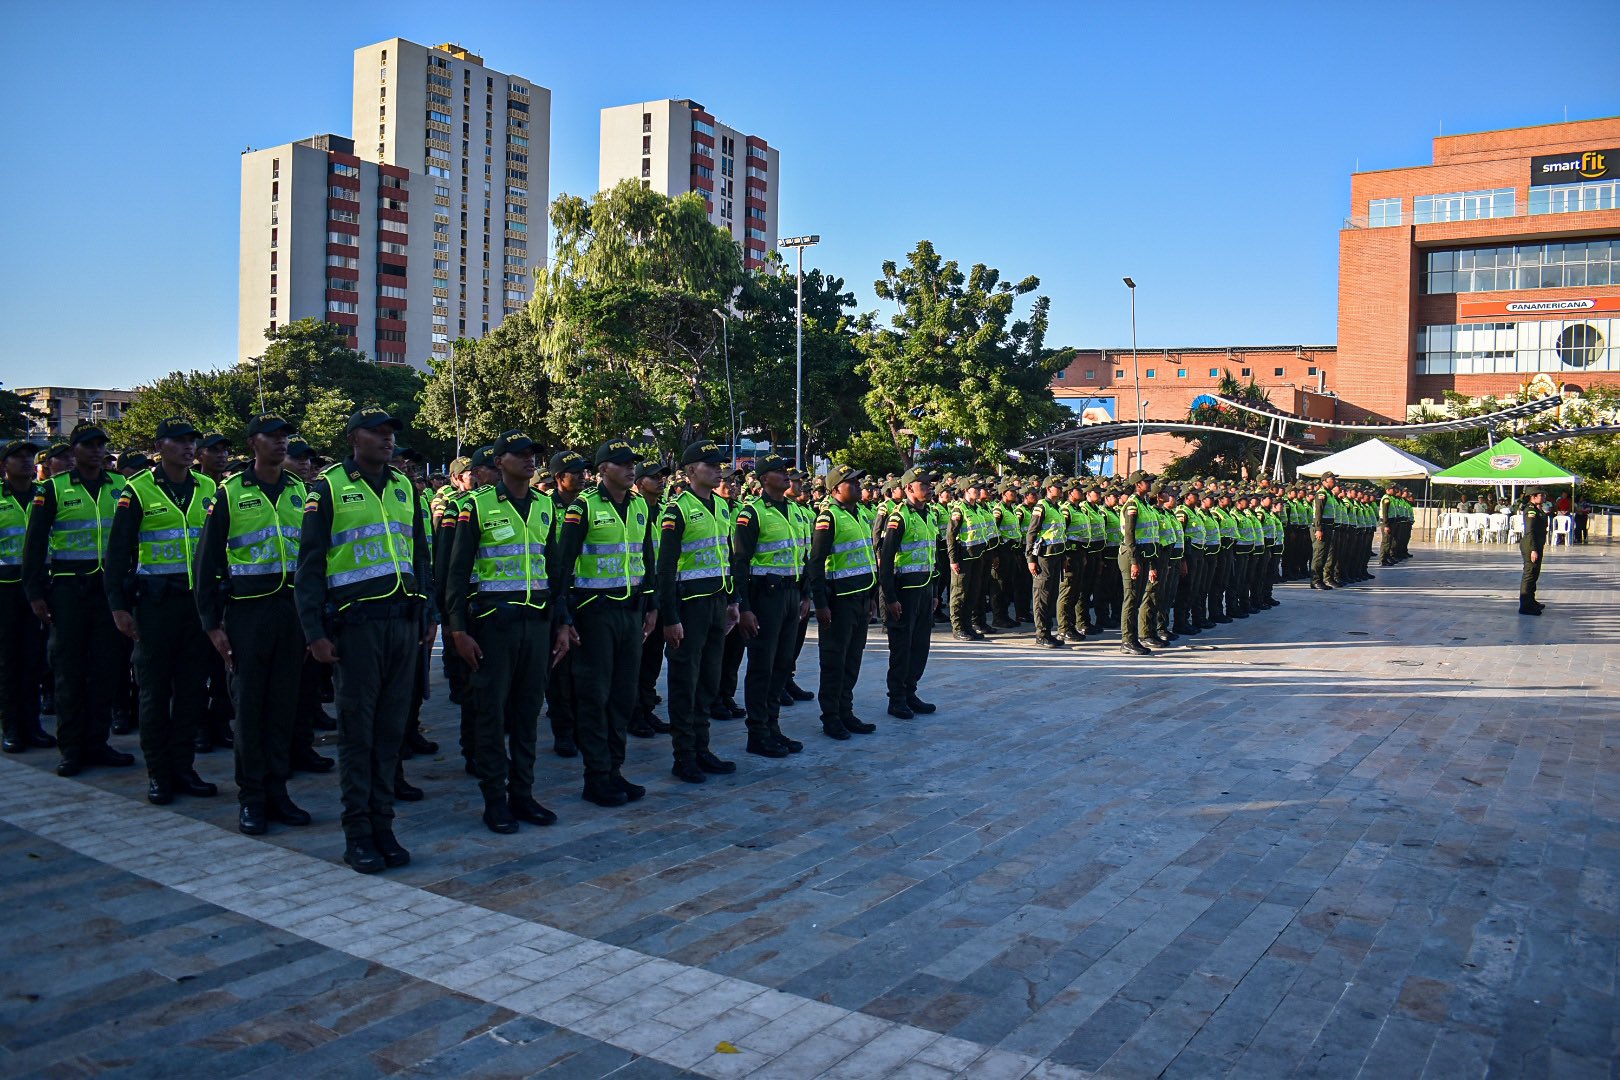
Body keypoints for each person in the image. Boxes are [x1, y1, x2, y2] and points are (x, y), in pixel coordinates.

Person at [295, 407, 438, 874]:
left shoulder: (403, 487)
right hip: (356, 627)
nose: (387, 439)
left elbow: (419, 554)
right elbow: (310, 567)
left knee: (391, 731)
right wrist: (314, 631)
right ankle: (357, 832)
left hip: (402, 623)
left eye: (391, 432)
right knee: (358, 734)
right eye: (377, 432)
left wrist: (428, 611)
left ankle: (384, 825)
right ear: (355, 437)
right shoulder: (328, 487)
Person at [194, 412, 315, 834]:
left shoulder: (302, 491)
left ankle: (278, 791)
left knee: (283, 706)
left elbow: (317, 557)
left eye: (286, 436)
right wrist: (212, 623)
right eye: (272, 436)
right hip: (248, 613)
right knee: (249, 709)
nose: (282, 443)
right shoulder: (229, 493)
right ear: (253, 444)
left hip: (292, 611)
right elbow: (206, 561)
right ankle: (252, 798)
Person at [444, 430, 566, 832]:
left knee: (528, 712)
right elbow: (457, 574)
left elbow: (554, 570)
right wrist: (457, 629)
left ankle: (524, 794)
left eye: (533, 454)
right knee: (491, 715)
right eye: (519, 454)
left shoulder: (546, 506)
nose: (530, 460)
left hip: (537, 624)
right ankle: (494, 799)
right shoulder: (475, 506)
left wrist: (562, 622)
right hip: (493, 625)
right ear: (499, 462)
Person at [104, 417, 220, 806]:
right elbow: (118, 554)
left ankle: (184, 768)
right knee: (154, 692)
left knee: (192, 691)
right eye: (180, 441)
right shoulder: (136, 490)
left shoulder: (207, 487)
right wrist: (119, 607)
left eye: (193, 440)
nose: (189, 447)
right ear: (160, 445)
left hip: (196, 605)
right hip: (154, 606)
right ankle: (159, 774)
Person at [21, 422, 136, 777]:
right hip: (69, 589)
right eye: (89, 445)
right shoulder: (53, 489)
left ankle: (97, 742)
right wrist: (36, 592)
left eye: (101, 445)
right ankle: (71, 748)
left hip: (109, 589)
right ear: (74, 451)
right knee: (70, 672)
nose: (97, 451)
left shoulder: (121, 487)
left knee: (105, 669)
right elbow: (35, 544)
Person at [551, 439, 657, 807]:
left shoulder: (639, 505)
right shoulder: (584, 507)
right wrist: (564, 616)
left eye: (633, 463)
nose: (631, 469)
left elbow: (647, 558)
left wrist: (652, 604)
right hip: (594, 613)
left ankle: (615, 769)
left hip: (630, 612)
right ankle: (596, 776)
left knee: (623, 695)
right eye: (622, 463)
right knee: (595, 696)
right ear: (602, 470)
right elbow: (563, 565)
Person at [654, 441, 741, 781]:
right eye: (710, 464)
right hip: (688, 608)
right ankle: (684, 755)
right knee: (684, 682)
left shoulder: (720, 507)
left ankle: (702, 748)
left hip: (717, 604)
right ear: (690, 471)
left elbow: (726, 558)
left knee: (707, 680)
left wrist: (733, 602)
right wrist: (670, 617)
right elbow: (665, 569)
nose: (719, 469)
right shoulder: (676, 510)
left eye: (719, 463)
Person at [732, 455, 809, 756]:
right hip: (765, 597)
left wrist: (805, 594)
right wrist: (744, 607)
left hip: (791, 595)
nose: (786, 475)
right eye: (779, 471)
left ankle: (773, 726)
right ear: (764, 479)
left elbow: (801, 555)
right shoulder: (752, 513)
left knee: (781, 665)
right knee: (762, 666)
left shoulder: (793, 510)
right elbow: (740, 562)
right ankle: (757, 733)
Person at [805, 463, 879, 740]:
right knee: (835, 660)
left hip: (860, 597)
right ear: (836, 489)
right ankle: (831, 717)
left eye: (859, 482)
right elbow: (816, 563)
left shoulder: (859, 515)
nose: (859, 487)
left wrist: (872, 598)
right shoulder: (828, 517)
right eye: (853, 483)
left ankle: (846, 711)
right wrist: (821, 604)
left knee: (853, 659)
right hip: (838, 601)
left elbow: (866, 559)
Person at [0, 438, 54, 755]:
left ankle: (32, 726)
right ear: (3, 465)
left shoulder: (42, 495)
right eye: (16, 457)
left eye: (28, 457)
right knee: (9, 661)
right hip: (5, 589)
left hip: (38, 588)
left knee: (34, 660)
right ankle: (11, 728)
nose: (24, 462)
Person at [879, 467, 940, 717]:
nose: (928, 487)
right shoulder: (898, 517)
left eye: (929, 483)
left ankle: (910, 691)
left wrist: (935, 591)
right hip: (904, 592)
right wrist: (890, 598)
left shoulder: (929, 515)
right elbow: (886, 559)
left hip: (925, 590)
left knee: (920, 646)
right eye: (922, 484)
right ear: (908, 488)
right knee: (902, 649)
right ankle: (896, 699)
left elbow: (931, 557)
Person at [544, 449, 590, 758]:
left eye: (585, 472)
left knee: (583, 667)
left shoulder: (589, 506)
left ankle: (581, 727)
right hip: (556, 593)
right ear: (560, 477)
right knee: (561, 667)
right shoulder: (545, 507)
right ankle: (563, 731)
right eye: (576, 473)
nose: (584, 477)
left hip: (584, 592)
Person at [631, 460, 674, 739]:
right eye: (653, 477)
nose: (660, 481)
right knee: (635, 660)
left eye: (662, 477)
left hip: (659, 592)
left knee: (652, 660)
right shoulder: (635, 510)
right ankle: (634, 715)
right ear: (638, 483)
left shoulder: (664, 512)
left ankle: (646, 709)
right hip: (637, 594)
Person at [1023, 475, 1069, 648]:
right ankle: (1041, 634)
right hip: (1044, 557)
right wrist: (1031, 559)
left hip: (1056, 556)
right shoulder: (1041, 506)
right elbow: (1031, 533)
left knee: (1051, 596)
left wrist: (1063, 557)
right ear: (1049, 488)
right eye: (1057, 486)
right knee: (1042, 596)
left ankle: (1048, 632)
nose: (1061, 489)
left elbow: (1059, 534)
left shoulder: (1055, 507)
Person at [1519, 488, 1549, 615]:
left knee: (1535, 573)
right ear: (1533, 496)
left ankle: (1531, 600)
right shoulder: (1530, 510)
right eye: (1541, 495)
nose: (1544, 497)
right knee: (1529, 574)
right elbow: (1529, 531)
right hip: (1531, 545)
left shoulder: (1538, 509)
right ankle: (1525, 606)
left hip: (1537, 544)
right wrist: (1532, 550)